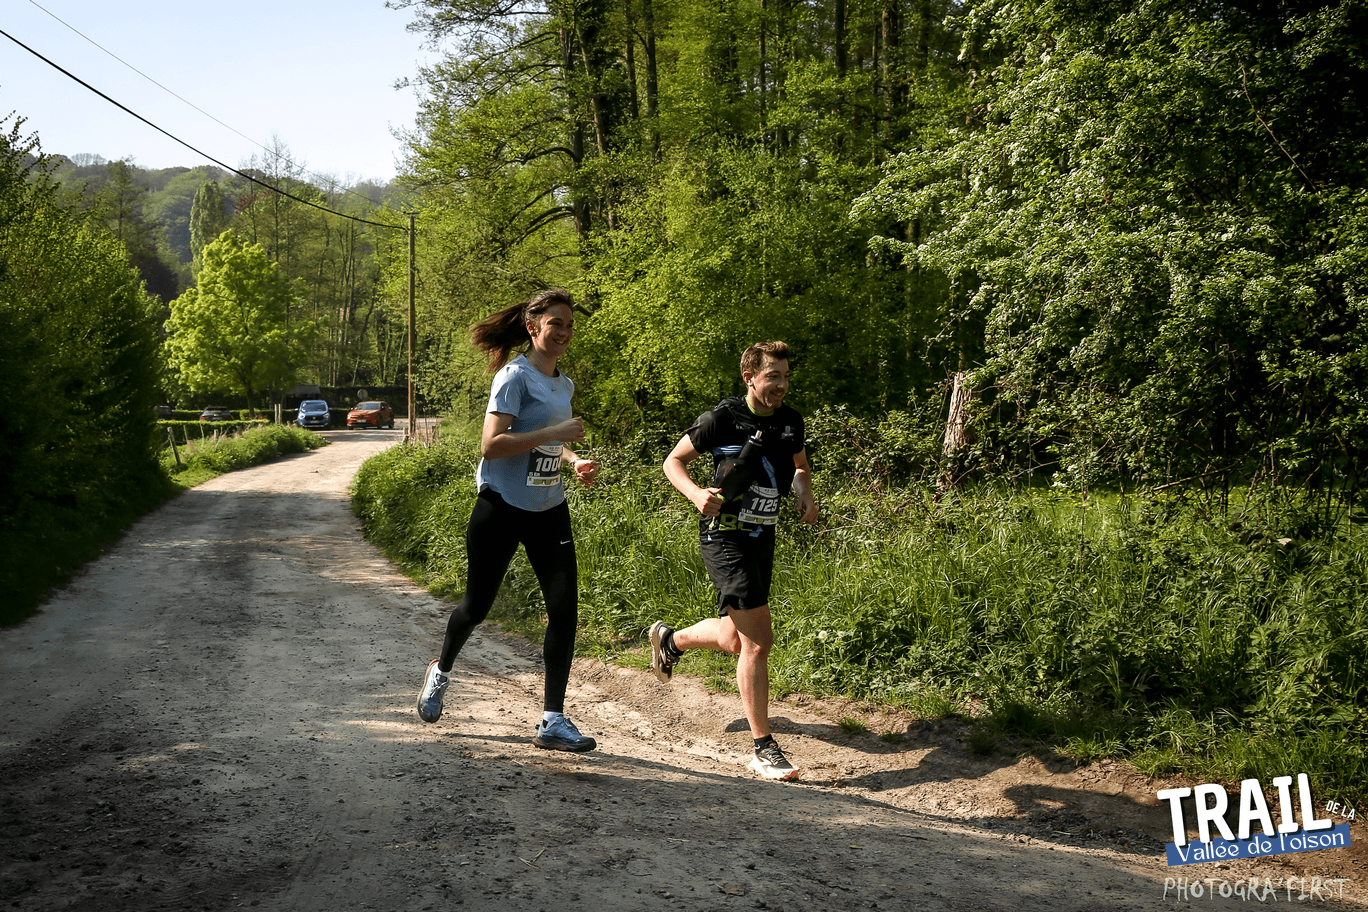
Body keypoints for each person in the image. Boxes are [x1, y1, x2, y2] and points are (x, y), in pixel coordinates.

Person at [417, 289, 600, 752]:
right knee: (476, 608)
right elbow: (492, 445)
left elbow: (548, 442)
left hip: (548, 508)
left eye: (569, 325)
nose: (564, 332)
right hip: (501, 506)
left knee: (564, 611)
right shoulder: (513, 376)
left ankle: (552, 720)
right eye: (556, 324)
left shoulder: (563, 384)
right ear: (533, 327)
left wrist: (572, 459)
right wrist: (556, 432)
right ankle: (441, 671)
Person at [648, 341, 818, 780]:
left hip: (763, 536)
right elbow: (673, 461)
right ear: (750, 378)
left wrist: (804, 491)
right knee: (759, 642)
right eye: (773, 376)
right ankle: (763, 747)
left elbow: (799, 465)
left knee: (734, 640)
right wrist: (695, 493)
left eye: (785, 376)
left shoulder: (790, 421)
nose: (781, 385)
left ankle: (670, 641)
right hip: (723, 535)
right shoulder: (722, 418)